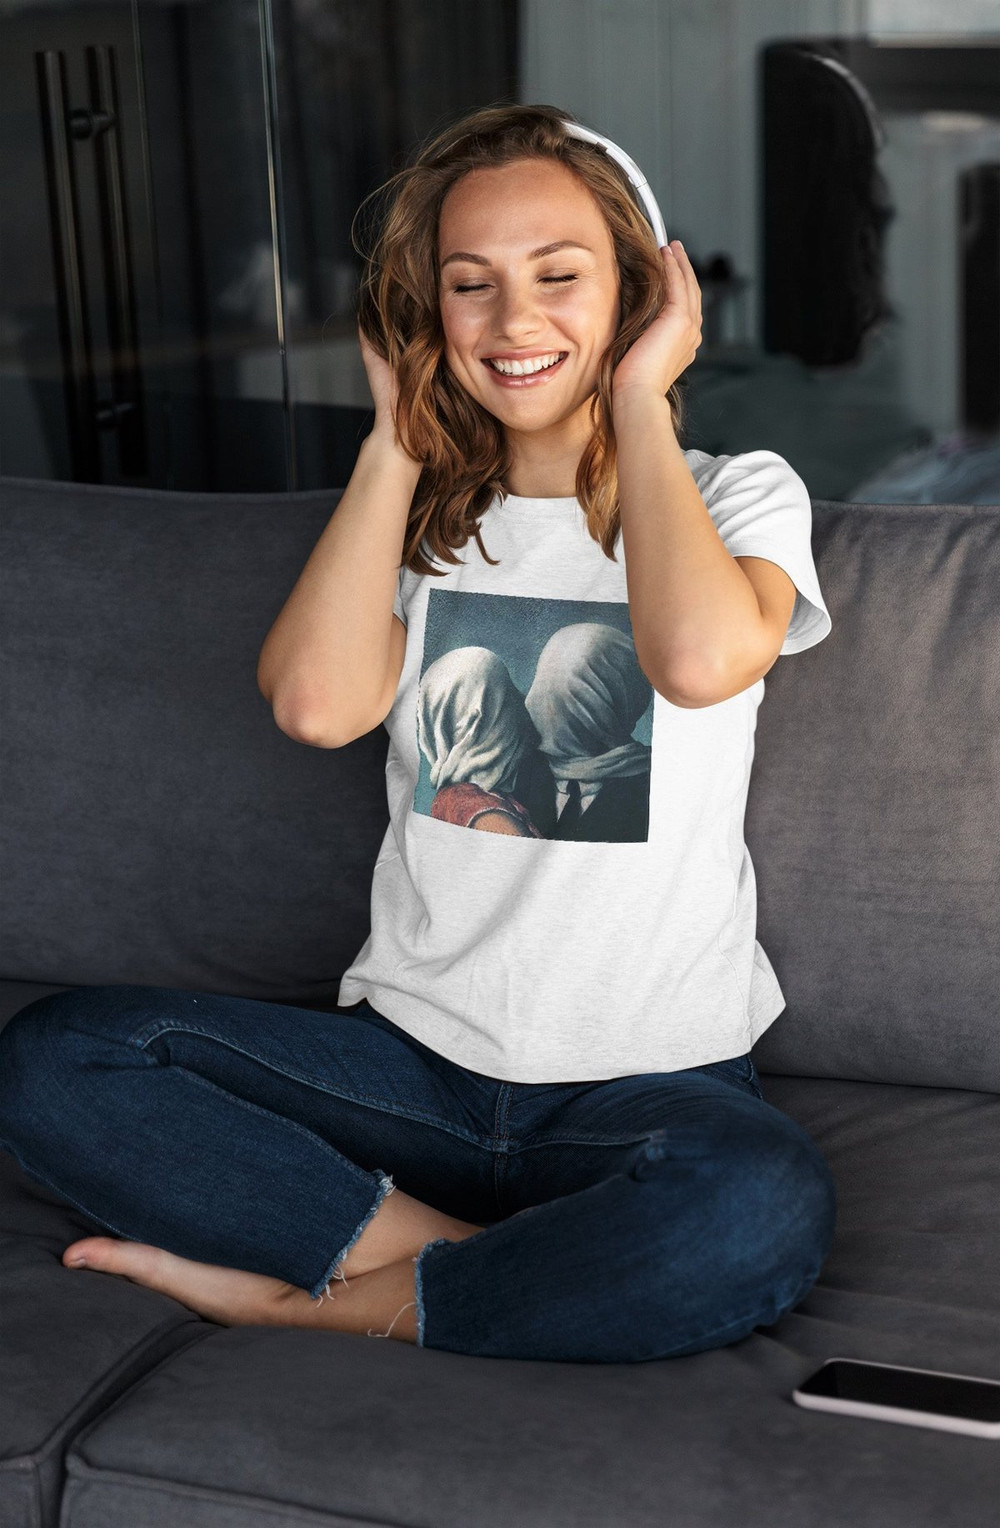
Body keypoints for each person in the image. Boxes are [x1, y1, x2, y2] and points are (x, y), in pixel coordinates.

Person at [0, 103, 837, 1362]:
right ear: (426, 312)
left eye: (560, 276)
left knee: (759, 1202)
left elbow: (699, 659)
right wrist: (393, 445)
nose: (512, 320)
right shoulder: (426, 522)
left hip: (651, 1083)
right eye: (469, 283)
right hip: (411, 1069)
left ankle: (316, 1295)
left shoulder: (735, 492)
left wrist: (638, 397)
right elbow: (316, 706)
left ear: (638, 290)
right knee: (58, 1056)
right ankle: (466, 1260)